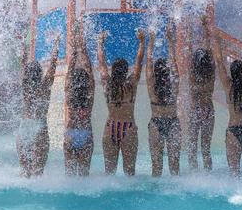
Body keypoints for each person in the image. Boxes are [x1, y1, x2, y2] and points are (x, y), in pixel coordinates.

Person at [210, 26, 242, 177]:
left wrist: (216, 41)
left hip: (234, 130)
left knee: (234, 174)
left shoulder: (229, 86)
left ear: (232, 73)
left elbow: (219, 62)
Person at [98, 28, 145, 176]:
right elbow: (139, 62)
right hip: (128, 128)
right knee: (129, 173)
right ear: (126, 72)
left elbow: (101, 63)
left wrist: (100, 43)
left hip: (110, 127)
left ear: (113, 70)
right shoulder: (130, 85)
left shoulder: (108, 85)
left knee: (109, 173)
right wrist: (142, 42)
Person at [18, 34, 60, 177]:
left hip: (24, 127)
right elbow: (53, 64)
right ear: (40, 73)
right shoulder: (45, 86)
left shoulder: (25, 87)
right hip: (39, 127)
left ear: (26, 74)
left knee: (25, 173)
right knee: (38, 174)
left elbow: (23, 61)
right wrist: (56, 43)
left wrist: (23, 42)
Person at [146, 24, 180, 177]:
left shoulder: (152, 86)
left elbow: (148, 62)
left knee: (156, 166)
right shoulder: (174, 86)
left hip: (155, 123)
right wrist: (170, 41)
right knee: (175, 166)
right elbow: (174, 62)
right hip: (173, 122)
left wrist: (151, 41)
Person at [64, 19, 94, 177]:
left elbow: (69, 74)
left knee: (70, 176)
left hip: (70, 133)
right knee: (84, 177)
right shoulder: (89, 98)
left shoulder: (69, 95)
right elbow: (91, 75)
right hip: (86, 134)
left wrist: (75, 52)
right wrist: (84, 49)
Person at [186, 16, 216, 171]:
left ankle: (193, 175)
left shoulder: (192, 77)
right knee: (206, 149)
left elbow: (189, 51)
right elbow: (209, 49)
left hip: (195, 111)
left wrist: (190, 31)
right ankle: (208, 175)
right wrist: (205, 26)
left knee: (192, 148)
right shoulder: (211, 76)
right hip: (208, 111)